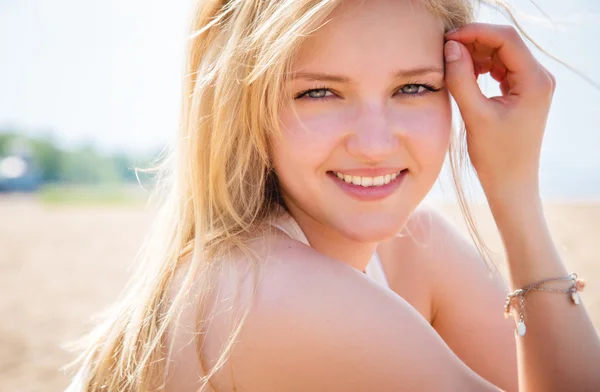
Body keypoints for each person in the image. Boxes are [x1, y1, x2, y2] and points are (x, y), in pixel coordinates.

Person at [65, 0, 600, 391]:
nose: (373, 144)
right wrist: (516, 195)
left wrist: (511, 187)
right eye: (318, 92)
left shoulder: (413, 248)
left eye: (413, 87)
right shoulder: (266, 292)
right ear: (245, 108)